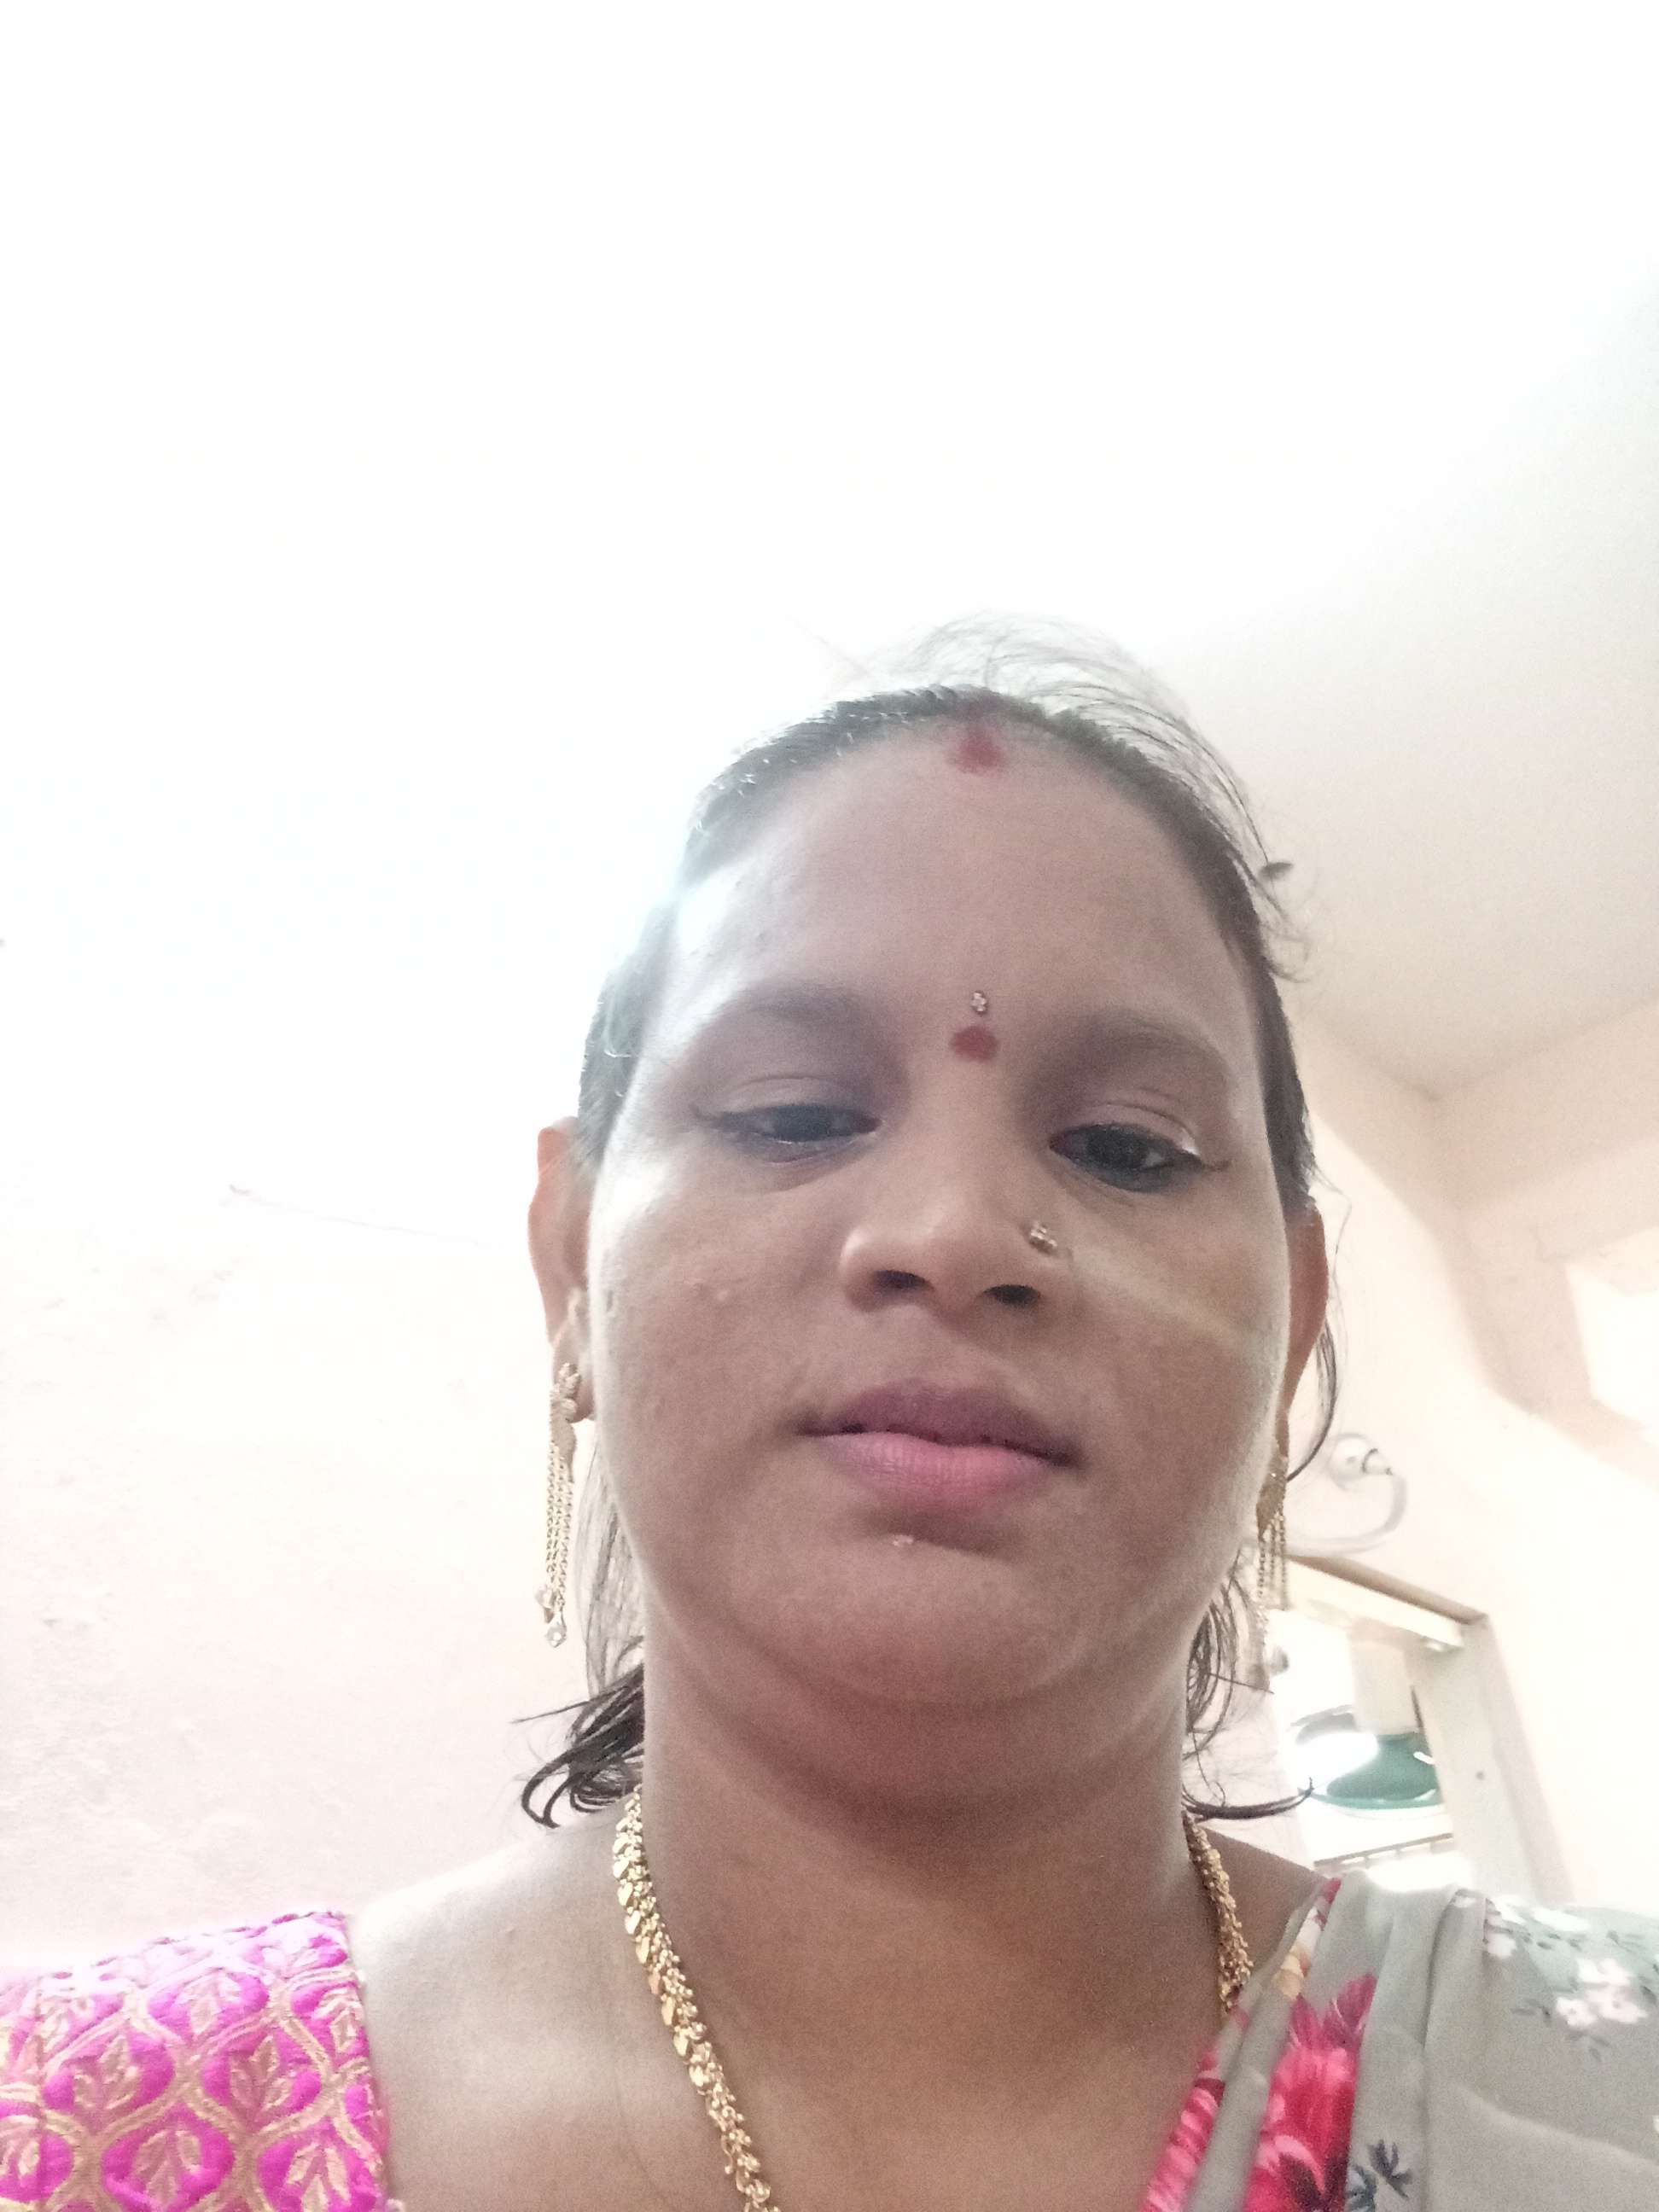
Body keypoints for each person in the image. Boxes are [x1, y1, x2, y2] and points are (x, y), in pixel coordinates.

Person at [6, 630, 1657, 2212]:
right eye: (794, 1112)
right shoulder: (79, 2125)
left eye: (1126, 1146)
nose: (953, 1229)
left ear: (1291, 1325)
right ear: (572, 1263)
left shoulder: (1609, 2101)